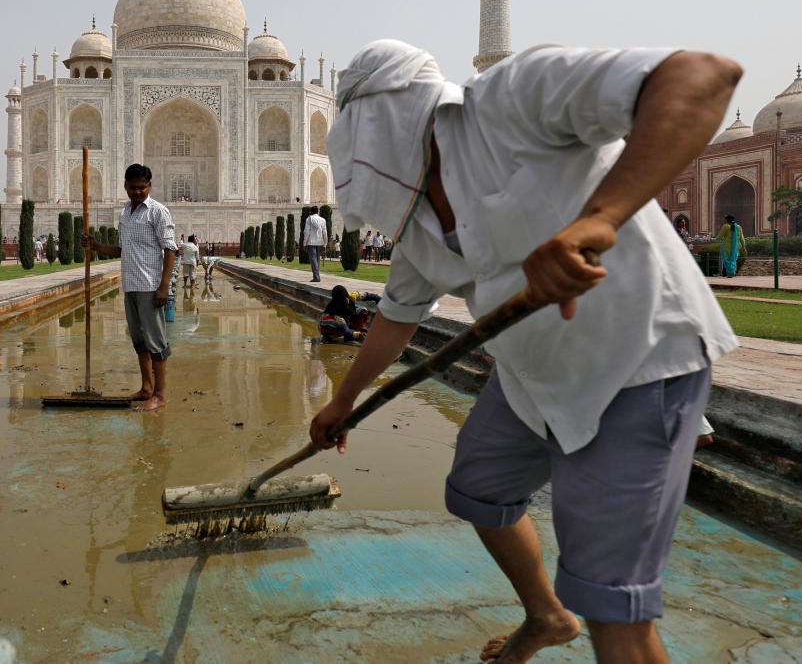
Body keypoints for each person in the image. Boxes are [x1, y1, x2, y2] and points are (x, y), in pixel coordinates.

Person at [310, 39, 741, 663]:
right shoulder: (417, 219)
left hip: (633, 360)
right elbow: (397, 318)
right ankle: (546, 615)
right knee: (477, 489)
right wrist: (343, 402)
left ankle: (583, 612)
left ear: (379, 115)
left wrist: (599, 218)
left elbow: (703, 75)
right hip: (530, 375)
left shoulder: (511, 100)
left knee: (610, 601)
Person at [85, 164, 177, 411]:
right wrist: (96, 246)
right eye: (133, 187)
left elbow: (170, 249)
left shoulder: (158, 212)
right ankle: (146, 387)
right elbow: (123, 249)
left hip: (150, 285)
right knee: (139, 340)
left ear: (149, 186)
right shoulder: (125, 212)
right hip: (131, 284)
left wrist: (163, 287)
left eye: (142, 187)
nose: (137, 192)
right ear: (125, 186)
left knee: (157, 342)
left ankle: (159, 395)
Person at [319, 285, 383, 343]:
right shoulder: (336, 315)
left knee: (363, 310)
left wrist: (382, 301)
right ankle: (331, 338)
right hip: (329, 328)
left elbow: (369, 295)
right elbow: (347, 331)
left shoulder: (351, 296)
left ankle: (356, 329)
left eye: (346, 297)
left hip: (346, 320)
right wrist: (358, 335)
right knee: (340, 331)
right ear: (339, 301)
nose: (346, 300)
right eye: (343, 299)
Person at [302, 205, 328, 282]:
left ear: (311, 212)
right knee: (316, 259)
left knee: (313, 259)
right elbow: (325, 232)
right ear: (318, 212)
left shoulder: (309, 219)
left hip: (311, 242)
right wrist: (325, 244)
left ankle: (316, 277)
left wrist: (304, 243)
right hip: (319, 242)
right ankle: (316, 276)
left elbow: (306, 232)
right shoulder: (323, 220)